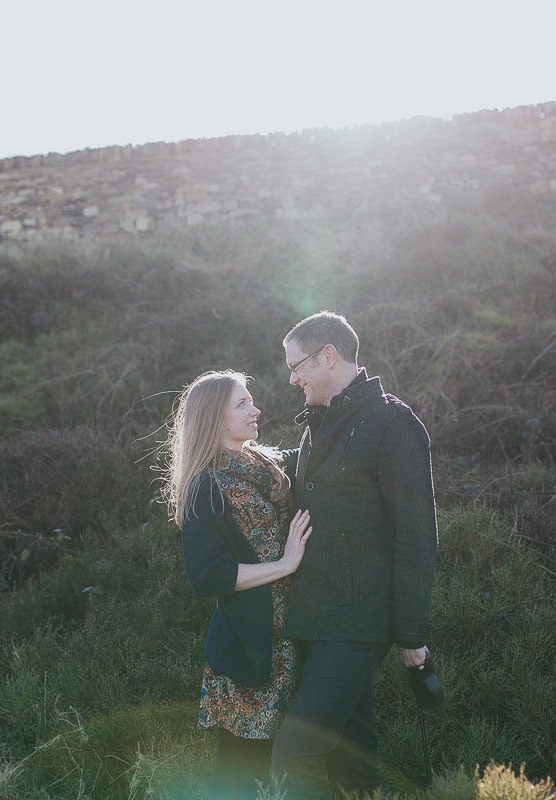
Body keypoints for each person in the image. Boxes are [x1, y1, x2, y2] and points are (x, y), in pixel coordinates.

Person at [270, 311, 438, 799]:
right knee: (353, 764)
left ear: (329, 356)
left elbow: (416, 536)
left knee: (295, 754)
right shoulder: (319, 422)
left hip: (357, 624)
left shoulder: (393, 424)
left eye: (296, 364)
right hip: (315, 620)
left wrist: (411, 634)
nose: (292, 377)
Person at [161, 369, 315, 799]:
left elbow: (312, 454)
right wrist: (285, 564)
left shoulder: (264, 463)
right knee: (241, 771)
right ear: (215, 417)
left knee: (289, 766)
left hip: (295, 633)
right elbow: (207, 576)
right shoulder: (205, 486)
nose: (256, 409)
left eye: (252, 400)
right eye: (243, 404)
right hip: (253, 645)